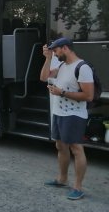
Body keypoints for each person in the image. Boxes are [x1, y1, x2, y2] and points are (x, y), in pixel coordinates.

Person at [40, 37, 94, 201]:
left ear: (65, 48)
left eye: (55, 51)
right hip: (59, 113)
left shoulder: (82, 68)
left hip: (74, 115)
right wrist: (48, 58)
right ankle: (62, 179)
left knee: (76, 149)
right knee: (60, 145)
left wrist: (61, 93)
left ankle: (78, 187)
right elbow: (43, 77)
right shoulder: (63, 65)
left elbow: (88, 96)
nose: (55, 54)